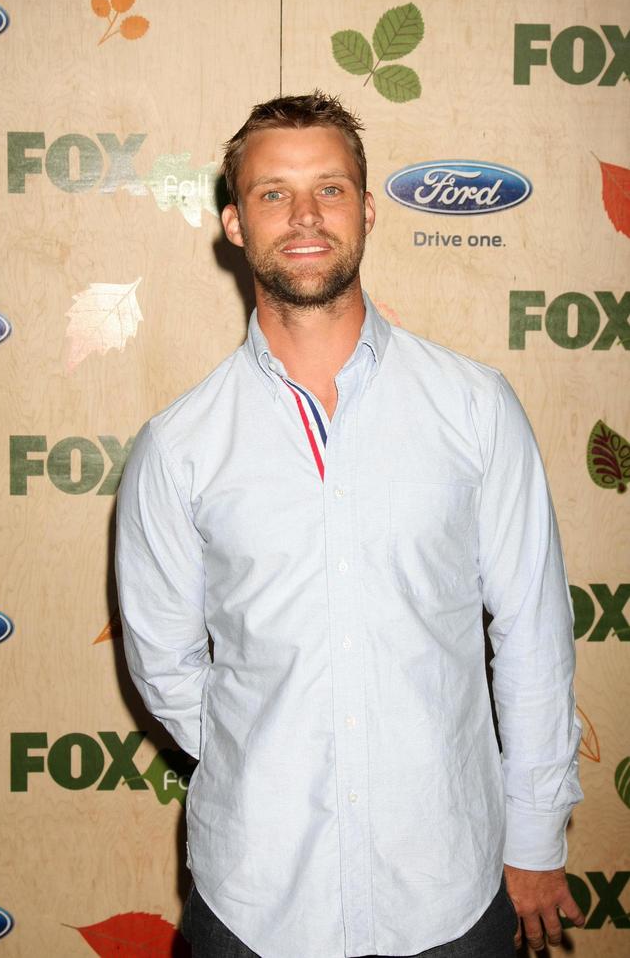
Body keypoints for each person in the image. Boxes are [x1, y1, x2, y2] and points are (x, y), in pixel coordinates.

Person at [115, 91, 585, 958]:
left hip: (450, 888)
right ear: (233, 221)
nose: (304, 216)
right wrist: (267, 752)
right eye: (272, 193)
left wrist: (535, 833)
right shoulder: (178, 447)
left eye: (329, 189)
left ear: (367, 210)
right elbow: (164, 662)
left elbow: (533, 635)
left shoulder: (474, 410)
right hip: (255, 897)